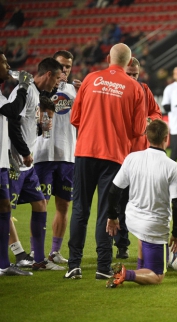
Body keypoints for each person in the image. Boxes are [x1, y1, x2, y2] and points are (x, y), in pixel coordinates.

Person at [66, 43, 146, 280]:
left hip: (84, 152)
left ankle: (74, 265)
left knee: (80, 209)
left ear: (109, 57)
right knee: (105, 212)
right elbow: (139, 129)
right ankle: (102, 266)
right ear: (129, 61)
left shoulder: (91, 79)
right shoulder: (134, 87)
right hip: (113, 156)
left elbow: (75, 118)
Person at [105, 119, 177, 287]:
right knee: (157, 276)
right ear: (166, 138)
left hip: (132, 220)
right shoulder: (172, 167)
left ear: (147, 137)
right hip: (154, 226)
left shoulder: (132, 158)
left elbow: (114, 191)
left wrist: (112, 216)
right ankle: (126, 274)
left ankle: (140, 269)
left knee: (144, 237)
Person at [8, 58, 64, 271]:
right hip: (14, 162)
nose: (57, 83)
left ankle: (39, 259)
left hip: (27, 164)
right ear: (48, 74)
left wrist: (40, 128)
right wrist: (23, 152)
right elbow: (12, 123)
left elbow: (26, 127)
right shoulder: (26, 92)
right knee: (4, 209)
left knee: (40, 204)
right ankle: (19, 254)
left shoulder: (36, 94)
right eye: (57, 78)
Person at [32, 50, 81, 266]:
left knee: (64, 205)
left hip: (68, 155)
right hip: (43, 154)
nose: (64, 71)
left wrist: (83, 92)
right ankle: (37, 254)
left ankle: (54, 252)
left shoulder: (75, 91)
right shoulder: (42, 89)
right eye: (61, 66)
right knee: (40, 203)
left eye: (68, 67)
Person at [113, 57, 162, 260]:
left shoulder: (144, 89)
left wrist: (150, 120)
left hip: (142, 155)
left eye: (135, 74)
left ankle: (146, 243)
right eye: (128, 73)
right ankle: (121, 244)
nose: (132, 77)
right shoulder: (115, 90)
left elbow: (156, 112)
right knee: (120, 202)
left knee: (144, 202)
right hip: (120, 155)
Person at [0, 51, 33, 276]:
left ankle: (3, 265)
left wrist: (7, 157)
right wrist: (22, 87)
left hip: (1, 165)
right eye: (3, 61)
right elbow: (13, 112)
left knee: (4, 208)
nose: (8, 65)